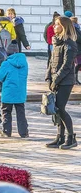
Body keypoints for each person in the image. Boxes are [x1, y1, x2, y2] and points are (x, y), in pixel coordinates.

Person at [45, 15, 77, 150]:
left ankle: (71, 137)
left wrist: (56, 79)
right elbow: (51, 62)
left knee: (60, 108)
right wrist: (48, 77)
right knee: (56, 109)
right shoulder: (56, 42)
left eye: (57, 24)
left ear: (64, 26)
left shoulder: (70, 44)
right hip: (55, 79)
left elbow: (67, 65)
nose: (54, 26)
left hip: (66, 81)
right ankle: (60, 137)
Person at [0, 51, 29, 138]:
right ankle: (24, 133)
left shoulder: (6, 63)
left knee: (6, 112)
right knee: (21, 113)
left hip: (8, 92)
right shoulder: (24, 63)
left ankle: (6, 131)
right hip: (20, 92)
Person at [71, 17, 81, 85]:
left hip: (78, 49)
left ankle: (75, 79)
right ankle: (74, 79)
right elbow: (78, 38)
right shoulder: (74, 29)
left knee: (77, 64)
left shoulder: (76, 28)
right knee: (77, 64)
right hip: (77, 49)